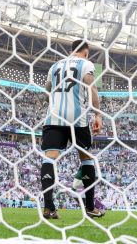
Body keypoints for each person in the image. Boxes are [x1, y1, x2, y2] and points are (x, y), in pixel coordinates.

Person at [40, 40, 104, 219]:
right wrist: (98, 114)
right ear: (86, 51)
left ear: (71, 50)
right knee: (87, 160)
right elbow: (91, 85)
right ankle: (90, 207)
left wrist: (54, 101)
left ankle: (48, 207)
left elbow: (47, 91)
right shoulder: (86, 64)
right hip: (77, 118)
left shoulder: (55, 65)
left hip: (54, 118)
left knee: (50, 159)